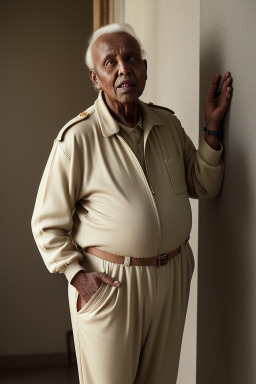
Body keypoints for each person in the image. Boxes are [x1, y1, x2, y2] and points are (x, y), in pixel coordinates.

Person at [31, 23, 233, 384]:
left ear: (144, 67)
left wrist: (212, 131)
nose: (124, 68)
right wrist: (78, 276)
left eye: (131, 58)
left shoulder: (167, 125)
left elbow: (202, 184)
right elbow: (46, 224)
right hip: (112, 285)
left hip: (172, 276)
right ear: (96, 78)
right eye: (110, 63)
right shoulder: (77, 139)